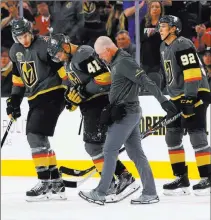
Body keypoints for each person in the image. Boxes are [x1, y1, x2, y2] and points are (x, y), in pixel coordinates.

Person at [78, 36, 178, 205]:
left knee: (109, 150)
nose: (101, 58)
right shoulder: (116, 62)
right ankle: (150, 193)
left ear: (108, 50)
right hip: (125, 112)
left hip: (127, 113)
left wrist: (163, 101)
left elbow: (146, 80)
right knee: (136, 154)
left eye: (101, 55)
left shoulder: (124, 62)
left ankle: (101, 192)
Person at [47, 33, 139, 201]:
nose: (58, 57)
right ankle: (115, 180)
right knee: (97, 146)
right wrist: (72, 98)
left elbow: (105, 77)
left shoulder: (83, 53)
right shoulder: (70, 61)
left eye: (58, 53)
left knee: (94, 146)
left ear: (66, 46)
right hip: (91, 105)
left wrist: (82, 92)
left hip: (100, 102)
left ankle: (120, 178)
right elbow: (81, 85)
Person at [7, 18, 67, 202]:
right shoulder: (15, 51)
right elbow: (18, 79)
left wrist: (68, 90)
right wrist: (14, 101)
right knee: (40, 138)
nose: (24, 40)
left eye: (26, 35)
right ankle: (56, 182)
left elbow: (62, 70)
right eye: (19, 37)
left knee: (34, 135)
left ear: (31, 32)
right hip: (35, 97)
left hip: (52, 93)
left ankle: (44, 182)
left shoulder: (44, 45)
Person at [158, 15, 211, 196]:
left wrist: (189, 98)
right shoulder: (163, 46)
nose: (160, 29)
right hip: (178, 97)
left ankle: (208, 178)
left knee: (197, 136)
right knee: (172, 138)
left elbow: (192, 72)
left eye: (163, 26)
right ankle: (181, 179)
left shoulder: (183, 43)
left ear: (173, 28)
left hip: (196, 93)